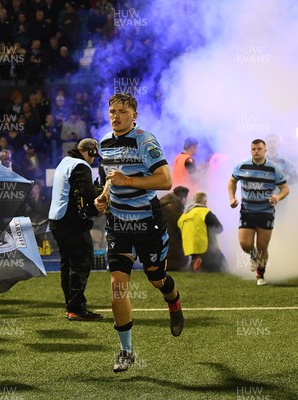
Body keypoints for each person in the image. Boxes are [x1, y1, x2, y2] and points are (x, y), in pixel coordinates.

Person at [94, 93, 183, 373]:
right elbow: (111, 177)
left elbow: (166, 180)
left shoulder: (145, 140)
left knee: (156, 277)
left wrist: (128, 180)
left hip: (147, 221)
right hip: (119, 223)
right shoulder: (105, 142)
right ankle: (126, 351)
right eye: (112, 111)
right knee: (117, 287)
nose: (115, 116)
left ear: (134, 115)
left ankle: (174, 303)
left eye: (122, 111)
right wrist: (104, 196)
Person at [48, 138, 103, 322]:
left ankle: (70, 306)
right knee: (81, 263)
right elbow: (88, 194)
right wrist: (100, 198)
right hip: (71, 222)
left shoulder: (65, 162)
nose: (95, 159)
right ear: (92, 151)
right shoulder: (81, 166)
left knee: (67, 264)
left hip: (56, 221)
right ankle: (76, 308)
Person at [228, 139, 289, 286]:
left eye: (259, 149)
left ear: (265, 150)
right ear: (251, 150)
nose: (256, 151)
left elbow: (285, 188)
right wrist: (232, 198)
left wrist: (278, 197)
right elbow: (232, 182)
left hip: (266, 212)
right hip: (247, 210)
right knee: (245, 244)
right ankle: (253, 257)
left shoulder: (273, 169)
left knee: (262, 247)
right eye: (254, 149)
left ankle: (260, 275)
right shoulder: (242, 166)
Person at [178, 191, 227, 272]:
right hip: (206, 249)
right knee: (223, 265)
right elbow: (219, 228)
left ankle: (195, 263)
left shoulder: (183, 216)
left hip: (189, 249)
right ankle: (200, 263)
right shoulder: (204, 212)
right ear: (205, 202)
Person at [160, 186, 190, 271]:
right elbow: (182, 224)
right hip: (173, 247)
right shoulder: (175, 206)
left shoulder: (163, 202)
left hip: (162, 242)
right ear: (183, 197)